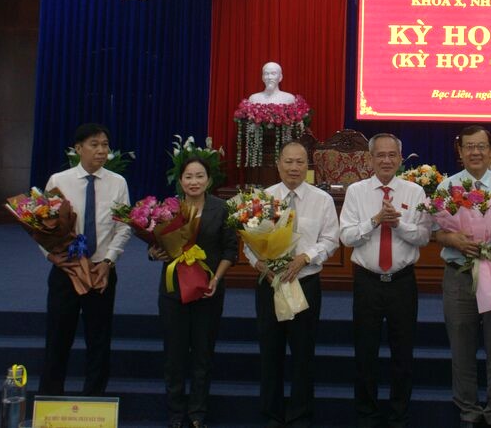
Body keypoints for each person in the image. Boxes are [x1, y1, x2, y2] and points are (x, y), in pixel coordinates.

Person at [434, 125, 491, 428]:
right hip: (459, 275)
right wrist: (454, 240)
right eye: (469, 147)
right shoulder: (446, 187)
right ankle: (467, 406)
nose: (475, 152)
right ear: (459, 152)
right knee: (461, 344)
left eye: (481, 146)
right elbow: (436, 233)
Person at [339, 133, 431, 428]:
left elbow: (424, 237)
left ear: (401, 159)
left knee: (403, 353)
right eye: (380, 155)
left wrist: (398, 223)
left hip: (402, 281)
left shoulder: (415, 192)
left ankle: (398, 414)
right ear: (370, 159)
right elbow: (347, 236)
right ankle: (366, 414)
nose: (387, 160)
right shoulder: (356, 191)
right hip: (367, 282)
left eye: (392, 155)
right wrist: (376, 220)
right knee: (365, 351)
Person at [244, 141, 340, 428]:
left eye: (300, 162)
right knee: (270, 351)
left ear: (308, 165)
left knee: (303, 354)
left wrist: (305, 257)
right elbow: (249, 242)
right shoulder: (262, 197)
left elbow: (330, 240)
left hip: (305, 282)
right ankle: (271, 413)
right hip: (269, 285)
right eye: (288, 161)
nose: (294, 167)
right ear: (279, 164)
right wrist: (257, 263)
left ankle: (300, 414)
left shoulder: (321, 199)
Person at [38, 123, 131, 396]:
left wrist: (109, 262)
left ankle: (94, 402)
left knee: (99, 340)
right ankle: (50, 400)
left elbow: (123, 226)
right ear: (78, 148)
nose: (102, 150)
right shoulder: (59, 181)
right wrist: (55, 258)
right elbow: (41, 225)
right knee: (57, 338)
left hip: (100, 271)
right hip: (66, 271)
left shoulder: (118, 183)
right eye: (94, 144)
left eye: (105, 145)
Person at [148, 156, 238, 428]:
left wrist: (216, 279)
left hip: (207, 291)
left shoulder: (222, 209)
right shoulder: (168, 210)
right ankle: (176, 414)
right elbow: (154, 246)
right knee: (174, 356)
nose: (194, 181)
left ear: (209, 180)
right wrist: (154, 252)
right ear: (181, 181)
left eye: (200, 176)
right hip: (173, 290)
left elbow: (230, 250)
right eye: (188, 176)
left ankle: (198, 413)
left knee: (202, 355)